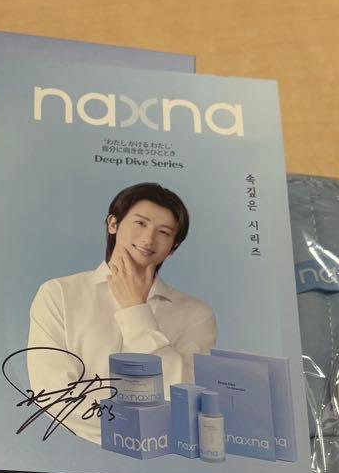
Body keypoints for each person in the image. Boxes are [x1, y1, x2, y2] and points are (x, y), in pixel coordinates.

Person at [27, 182, 216, 444]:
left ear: (173, 247)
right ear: (113, 223)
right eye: (140, 223)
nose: (148, 239)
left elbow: (182, 400)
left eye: (163, 232)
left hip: (158, 460)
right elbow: (53, 395)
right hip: (72, 451)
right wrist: (140, 427)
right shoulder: (59, 293)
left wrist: (135, 309)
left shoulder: (196, 315)